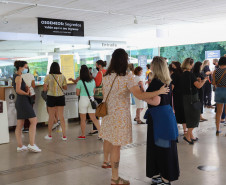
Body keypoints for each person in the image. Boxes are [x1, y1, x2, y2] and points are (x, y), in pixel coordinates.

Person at [99, 48, 169, 185]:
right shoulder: (127, 77)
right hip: (120, 117)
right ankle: (115, 178)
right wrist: (158, 91)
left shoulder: (106, 77)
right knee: (116, 147)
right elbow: (140, 95)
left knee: (108, 140)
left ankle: (107, 163)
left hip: (107, 115)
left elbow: (104, 94)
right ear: (125, 60)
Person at [145, 56, 179, 185]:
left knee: (161, 148)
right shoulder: (166, 81)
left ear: (155, 66)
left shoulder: (155, 82)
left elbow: (156, 101)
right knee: (165, 147)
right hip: (166, 116)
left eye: (152, 64)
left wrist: (143, 96)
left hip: (159, 119)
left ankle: (165, 177)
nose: (151, 66)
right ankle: (163, 174)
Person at [13, 61, 41, 152]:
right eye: (25, 67)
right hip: (23, 101)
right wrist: (26, 93)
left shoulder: (15, 76)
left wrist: (25, 89)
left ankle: (20, 146)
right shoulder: (19, 77)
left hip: (20, 101)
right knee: (34, 120)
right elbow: (17, 90)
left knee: (20, 124)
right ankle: (32, 144)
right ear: (20, 67)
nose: (26, 69)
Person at [181, 58, 208, 144]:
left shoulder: (182, 74)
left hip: (185, 97)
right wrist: (204, 81)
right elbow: (199, 86)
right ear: (190, 65)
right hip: (193, 97)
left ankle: (191, 135)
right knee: (196, 117)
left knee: (189, 116)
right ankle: (187, 136)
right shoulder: (191, 74)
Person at [43, 62, 67, 141]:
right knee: (61, 116)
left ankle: (49, 135)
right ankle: (64, 136)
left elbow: (45, 89)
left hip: (51, 97)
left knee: (51, 116)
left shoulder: (48, 77)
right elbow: (65, 87)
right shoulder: (63, 76)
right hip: (60, 97)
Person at [76, 65, 101, 139]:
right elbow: (93, 91)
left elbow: (77, 93)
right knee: (93, 118)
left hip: (83, 100)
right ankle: (101, 134)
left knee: (83, 119)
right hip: (91, 100)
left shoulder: (80, 82)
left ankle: (83, 135)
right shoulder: (92, 81)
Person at [89, 60, 107, 135]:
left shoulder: (100, 72)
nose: (95, 66)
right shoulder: (106, 71)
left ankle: (96, 128)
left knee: (96, 112)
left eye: (96, 65)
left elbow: (97, 83)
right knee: (104, 111)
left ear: (99, 65)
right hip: (105, 93)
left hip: (99, 95)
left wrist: (93, 79)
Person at [171, 61, 187, 135]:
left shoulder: (174, 75)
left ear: (175, 66)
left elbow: (172, 87)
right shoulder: (183, 73)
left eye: (172, 65)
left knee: (176, 111)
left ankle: (176, 129)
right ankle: (185, 130)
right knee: (183, 111)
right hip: (184, 95)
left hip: (176, 95)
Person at [212, 56, 226, 135]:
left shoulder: (215, 71)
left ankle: (218, 129)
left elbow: (213, 83)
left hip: (218, 91)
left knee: (219, 112)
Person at [22, 66, 36, 133]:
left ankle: (26, 127)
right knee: (30, 111)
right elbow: (33, 86)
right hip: (32, 95)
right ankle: (31, 126)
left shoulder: (20, 76)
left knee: (25, 111)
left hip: (24, 95)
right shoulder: (31, 75)